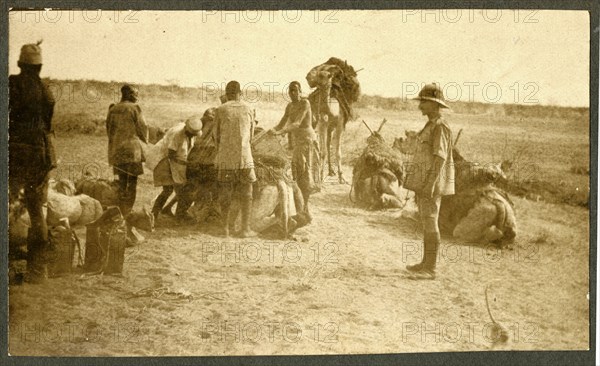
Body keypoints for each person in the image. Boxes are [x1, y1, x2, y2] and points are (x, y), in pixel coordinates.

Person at [9, 41, 56, 283]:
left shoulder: (12, 84)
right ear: (39, 67)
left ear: (20, 64)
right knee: (38, 212)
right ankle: (38, 271)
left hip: (16, 153)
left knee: (7, 205)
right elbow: (46, 125)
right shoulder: (45, 89)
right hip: (42, 155)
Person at [403, 83, 455, 279]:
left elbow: (440, 157)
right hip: (425, 181)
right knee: (426, 221)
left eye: (424, 102)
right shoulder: (431, 125)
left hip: (431, 183)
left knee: (431, 221)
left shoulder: (441, 126)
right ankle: (425, 263)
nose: (420, 106)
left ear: (435, 104)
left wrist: (430, 184)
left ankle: (430, 268)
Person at [270, 81, 320, 223]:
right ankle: (303, 210)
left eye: (295, 91)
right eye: (290, 91)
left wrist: (281, 132)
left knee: (306, 176)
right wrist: (271, 131)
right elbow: (281, 123)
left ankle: (305, 210)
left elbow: (297, 123)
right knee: (297, 175)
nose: (292, 93)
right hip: (298, 144)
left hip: (308, 142)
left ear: (300, 91)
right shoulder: (290, 106)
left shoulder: (305, 103)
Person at [215, 81, 256, 238]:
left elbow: (216, 136)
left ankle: (224, 228)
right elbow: (251, 136)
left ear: (226, 94)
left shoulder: (221, 109)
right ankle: (245, 229)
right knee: (247, 192)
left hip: (226, 158)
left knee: (225, 192)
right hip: (245, 157)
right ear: (241, 93)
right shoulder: (249, 108)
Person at [149, 116, 203, 223]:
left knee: (179, 189)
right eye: (191, 134)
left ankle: (174, 214)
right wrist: (188, 164)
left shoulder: (192, 133)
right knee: (168, 190)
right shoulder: (177, 134)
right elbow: (171, 155)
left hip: (175, 163)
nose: (193, 136)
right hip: (163, 160)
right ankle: (153, 216)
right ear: (187, 130)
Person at [106, 84, 149, 216]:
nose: (137, 97)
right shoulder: (135, 108)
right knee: (132, 183)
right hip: (132, 152)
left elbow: (109, 130)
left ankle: (119, 212)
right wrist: (145, 141)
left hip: (116, 152)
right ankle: (127, 212)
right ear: (129, 95)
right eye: (136, 94)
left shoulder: (112, 109)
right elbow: (143, 128)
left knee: (121, 182)